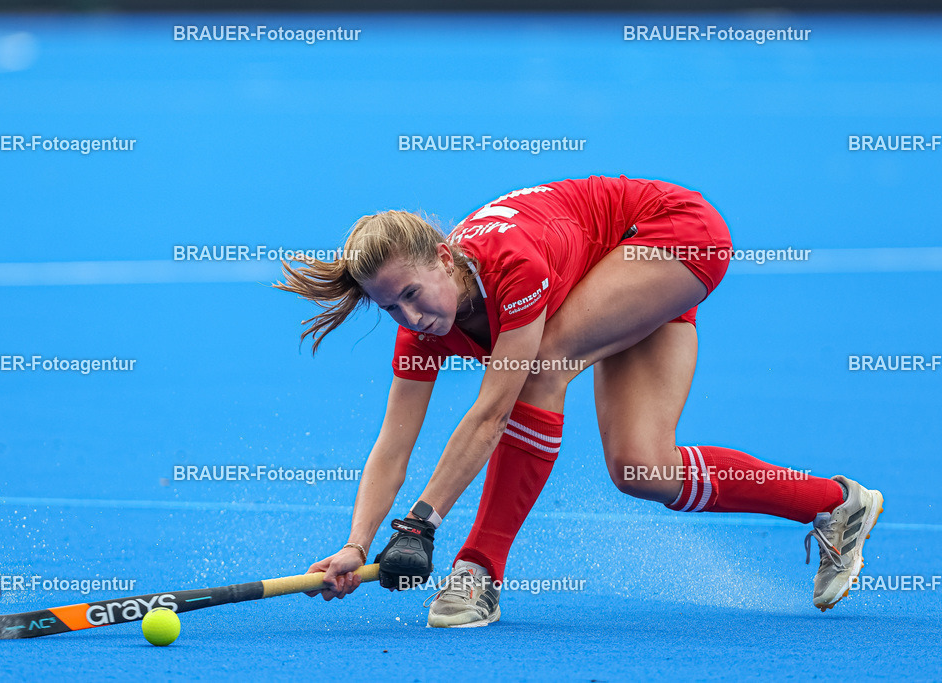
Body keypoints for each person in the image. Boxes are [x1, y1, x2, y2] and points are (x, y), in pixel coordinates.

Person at [274, 174, 884, 628]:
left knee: (541, 369)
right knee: (642, 468)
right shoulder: (421, 327)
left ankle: (479, 570)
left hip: (670, 237)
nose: (411, 316)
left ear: (443, 256)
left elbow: (490, 414)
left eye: (411, 293)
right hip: (608, 272)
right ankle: (835, 504)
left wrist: (419, 526)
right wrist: (356, 544)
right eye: (390, 308)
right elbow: (393, 444)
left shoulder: (510, 264)